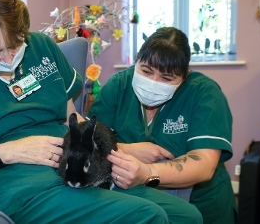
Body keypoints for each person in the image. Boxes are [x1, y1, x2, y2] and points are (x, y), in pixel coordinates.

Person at [0, 0, 202, 223]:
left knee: (187, 216)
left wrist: (117, 151)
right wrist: (7, 152)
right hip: (14, 186)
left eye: (15, 44)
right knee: (146, 216)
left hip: (72, 170)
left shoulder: (42, 46)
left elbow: (73, 119)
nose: (9, 58)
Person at [88, 27, 238, 224]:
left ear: (185, 76)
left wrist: (147, 173)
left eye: (166, 78)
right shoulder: (119, 86)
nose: (153, 82)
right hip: (140, 203)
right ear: (136, 61)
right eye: (146, 71)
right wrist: (128, 149)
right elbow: (91, 139)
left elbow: (204, 163)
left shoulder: (204, 93)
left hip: (203, 205)